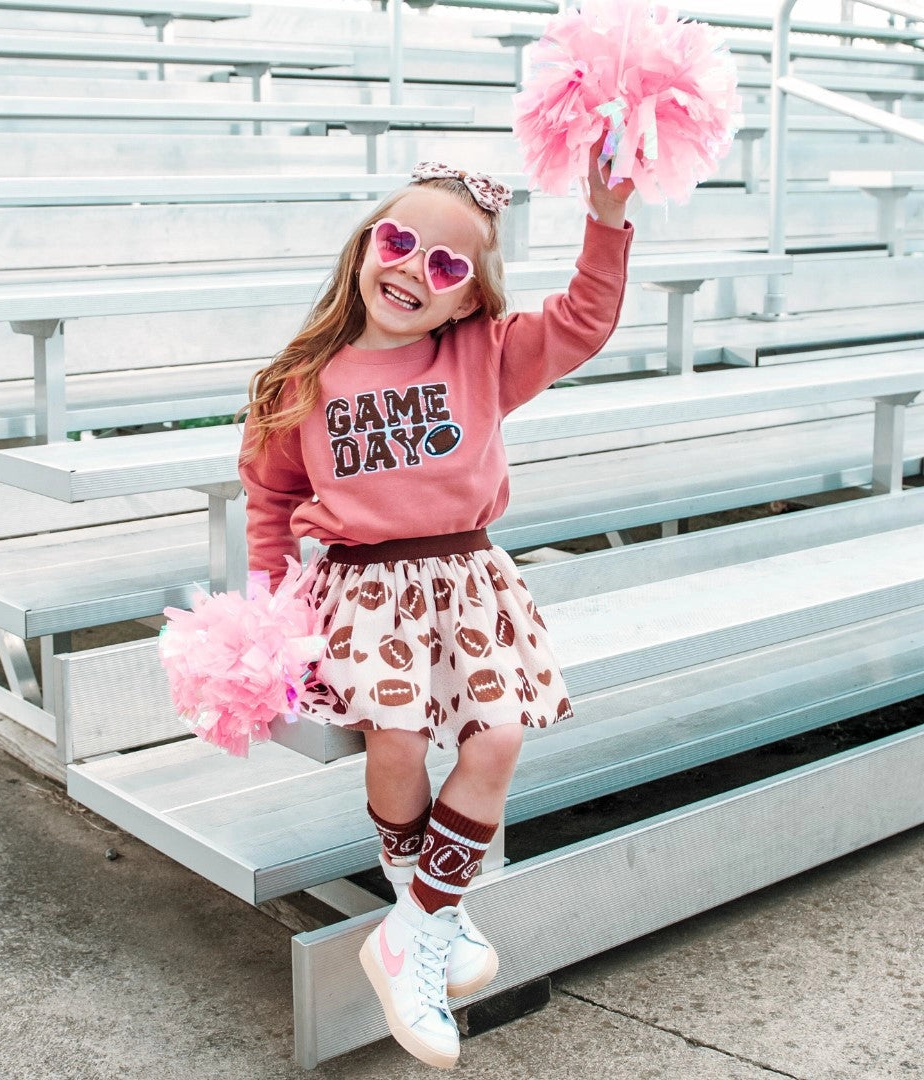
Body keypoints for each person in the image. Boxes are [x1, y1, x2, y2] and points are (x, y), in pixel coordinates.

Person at [238, 149, 634, 1069]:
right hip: (365, 590)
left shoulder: (484, 354)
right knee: (400, 740)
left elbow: (584, 318)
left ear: (466, 299)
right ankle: (428, 915)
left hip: (467, 581)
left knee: (497, 738)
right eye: (400, 242)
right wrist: (270, 620)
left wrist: (607, 215)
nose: (415, 269)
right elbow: (269, 500)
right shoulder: (303, 378)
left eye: (447, 264)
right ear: (366, 246)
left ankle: (414, 926)